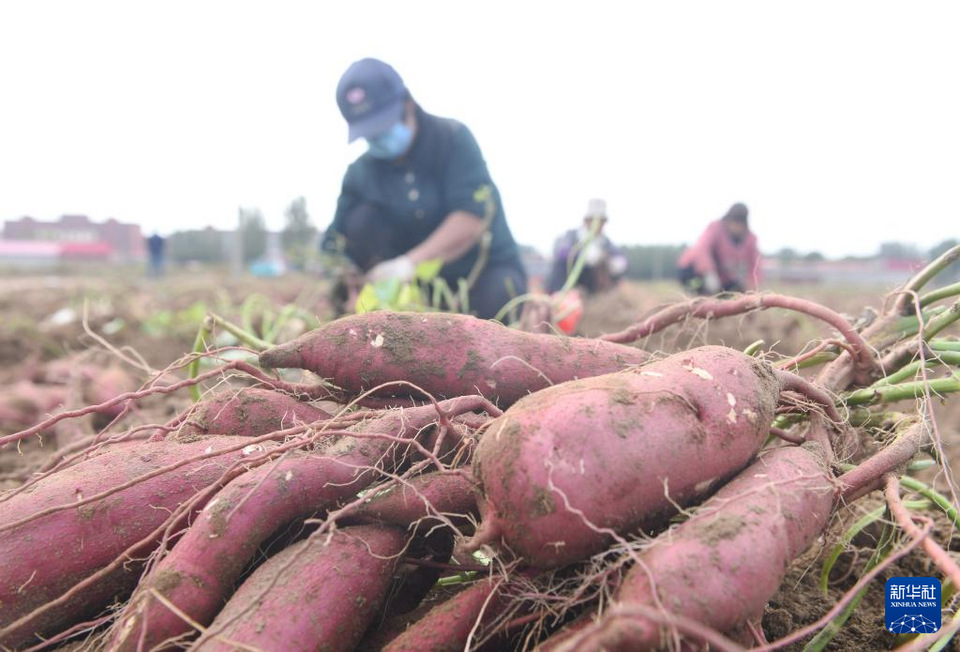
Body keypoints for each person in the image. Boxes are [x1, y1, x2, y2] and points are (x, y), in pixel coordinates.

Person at [321, 58, 527, 320]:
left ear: (407, 104)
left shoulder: (453, 140)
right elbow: (333, 244)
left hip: (480, 275)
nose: (378, 140)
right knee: (362, 219)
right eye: (370, 134)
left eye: (383, 128)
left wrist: (408, 264)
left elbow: (469, 219)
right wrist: (347, 278)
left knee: (498, 302)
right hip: (414, 294)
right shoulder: (360, 173)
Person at [547, 199, 628, 294]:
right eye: (593, 220)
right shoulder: (571, 236)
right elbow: (561, 252)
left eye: (602, 221)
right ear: (586, 220)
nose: (598, 225)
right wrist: (583, 255)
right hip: (564, 289)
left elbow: (621, 257)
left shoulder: (605, 242)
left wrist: (619, 262)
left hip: (590, 292)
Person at [677, 202, 761, 294]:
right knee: (698, 286)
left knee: (735, 291)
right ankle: (698, 298)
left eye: (739, 224)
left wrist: (752, 284)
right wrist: (708, 273)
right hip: (694, 272)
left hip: (722, 277)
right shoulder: (715, 228)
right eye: (734, 223)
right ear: (728, 220)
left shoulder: (750, 238)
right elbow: (702, 249)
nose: (736, 227)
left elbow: (755, 265)